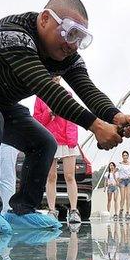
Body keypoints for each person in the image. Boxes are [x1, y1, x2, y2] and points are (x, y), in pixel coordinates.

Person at [0, 0, 130, 235]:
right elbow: (47, 88)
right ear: (45, 19)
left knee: (43, 142)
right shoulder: (13, 33)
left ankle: (22, 210)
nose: (72, 44)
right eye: (70, 33)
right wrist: (95, 126)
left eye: (80, 38)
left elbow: (86, 88)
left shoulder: (67, 56)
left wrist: (114, 116)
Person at [34, 75, 83, 224]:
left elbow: (73, 116)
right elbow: (36, 120)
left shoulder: (67, 94)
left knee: (69, 176)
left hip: (66, 139)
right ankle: (51, 211)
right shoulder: (39, 97)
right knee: (51, 177)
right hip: (49, 140)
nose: (53, 78)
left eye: (56, 75)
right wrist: (49, 112)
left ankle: (74, 210)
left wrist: (72, 139)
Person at [117, 150, 130, 220]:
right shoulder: (120, 164)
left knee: (128, 197)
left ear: (128, 156)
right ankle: (121, 210)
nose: (125, 156)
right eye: (124, 155)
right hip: (122, 181)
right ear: (122, 156)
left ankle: (127, 212)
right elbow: (114, 172)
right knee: (123, 197)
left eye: (126, 155)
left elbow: (129, 172)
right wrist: (117, 180)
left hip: (129, 181)